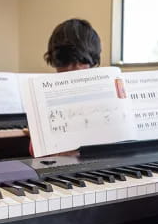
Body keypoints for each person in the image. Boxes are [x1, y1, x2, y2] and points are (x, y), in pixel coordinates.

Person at [27, 18, 102, 157]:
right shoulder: (45, 96)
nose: (71, 69)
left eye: (80, 63)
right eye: (64, 63)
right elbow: (35, 151)